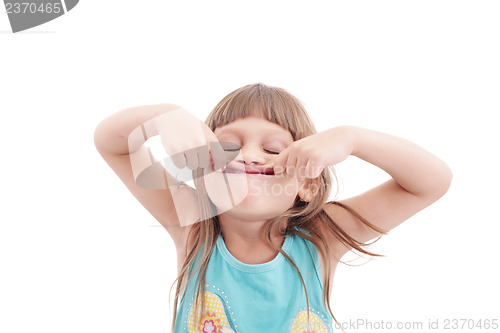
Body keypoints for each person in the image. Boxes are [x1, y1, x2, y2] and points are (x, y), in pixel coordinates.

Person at [94, 83, 452, 333]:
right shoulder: (191, 225)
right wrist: (163, 115)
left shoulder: (322, 238)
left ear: (308, 185)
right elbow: (112, 144)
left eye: (274, 149)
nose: (249, 155)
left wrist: (352, 138)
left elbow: (430, 182)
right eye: (228, 147)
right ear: (204, 175)